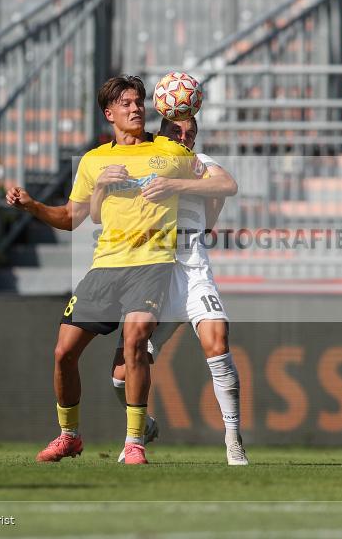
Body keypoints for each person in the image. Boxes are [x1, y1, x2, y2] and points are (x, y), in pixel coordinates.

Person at [6, 75, 234, 465]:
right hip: (106, 266)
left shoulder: (170, 150)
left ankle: (134, 443)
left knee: (136, 342)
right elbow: (72, 218)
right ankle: (69, 436)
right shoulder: (94, 161)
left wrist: (178, 187)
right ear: (109, 113)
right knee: (63, 353)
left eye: (139, 102)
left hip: (152, 264)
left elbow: (224, 182)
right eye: (126, 103)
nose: (135, 108)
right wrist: (33, 205)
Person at [101, 116, 247, 466]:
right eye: (176, 131)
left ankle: (233, 439)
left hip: (193, 272)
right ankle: (144, 425)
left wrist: (175, 185)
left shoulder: (199, 163)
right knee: (120, 375)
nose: (184, 138)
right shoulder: (145, 159)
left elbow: (228, 184)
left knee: (218, 342)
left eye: (190, 134)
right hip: (153, 274)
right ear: (161, 132)